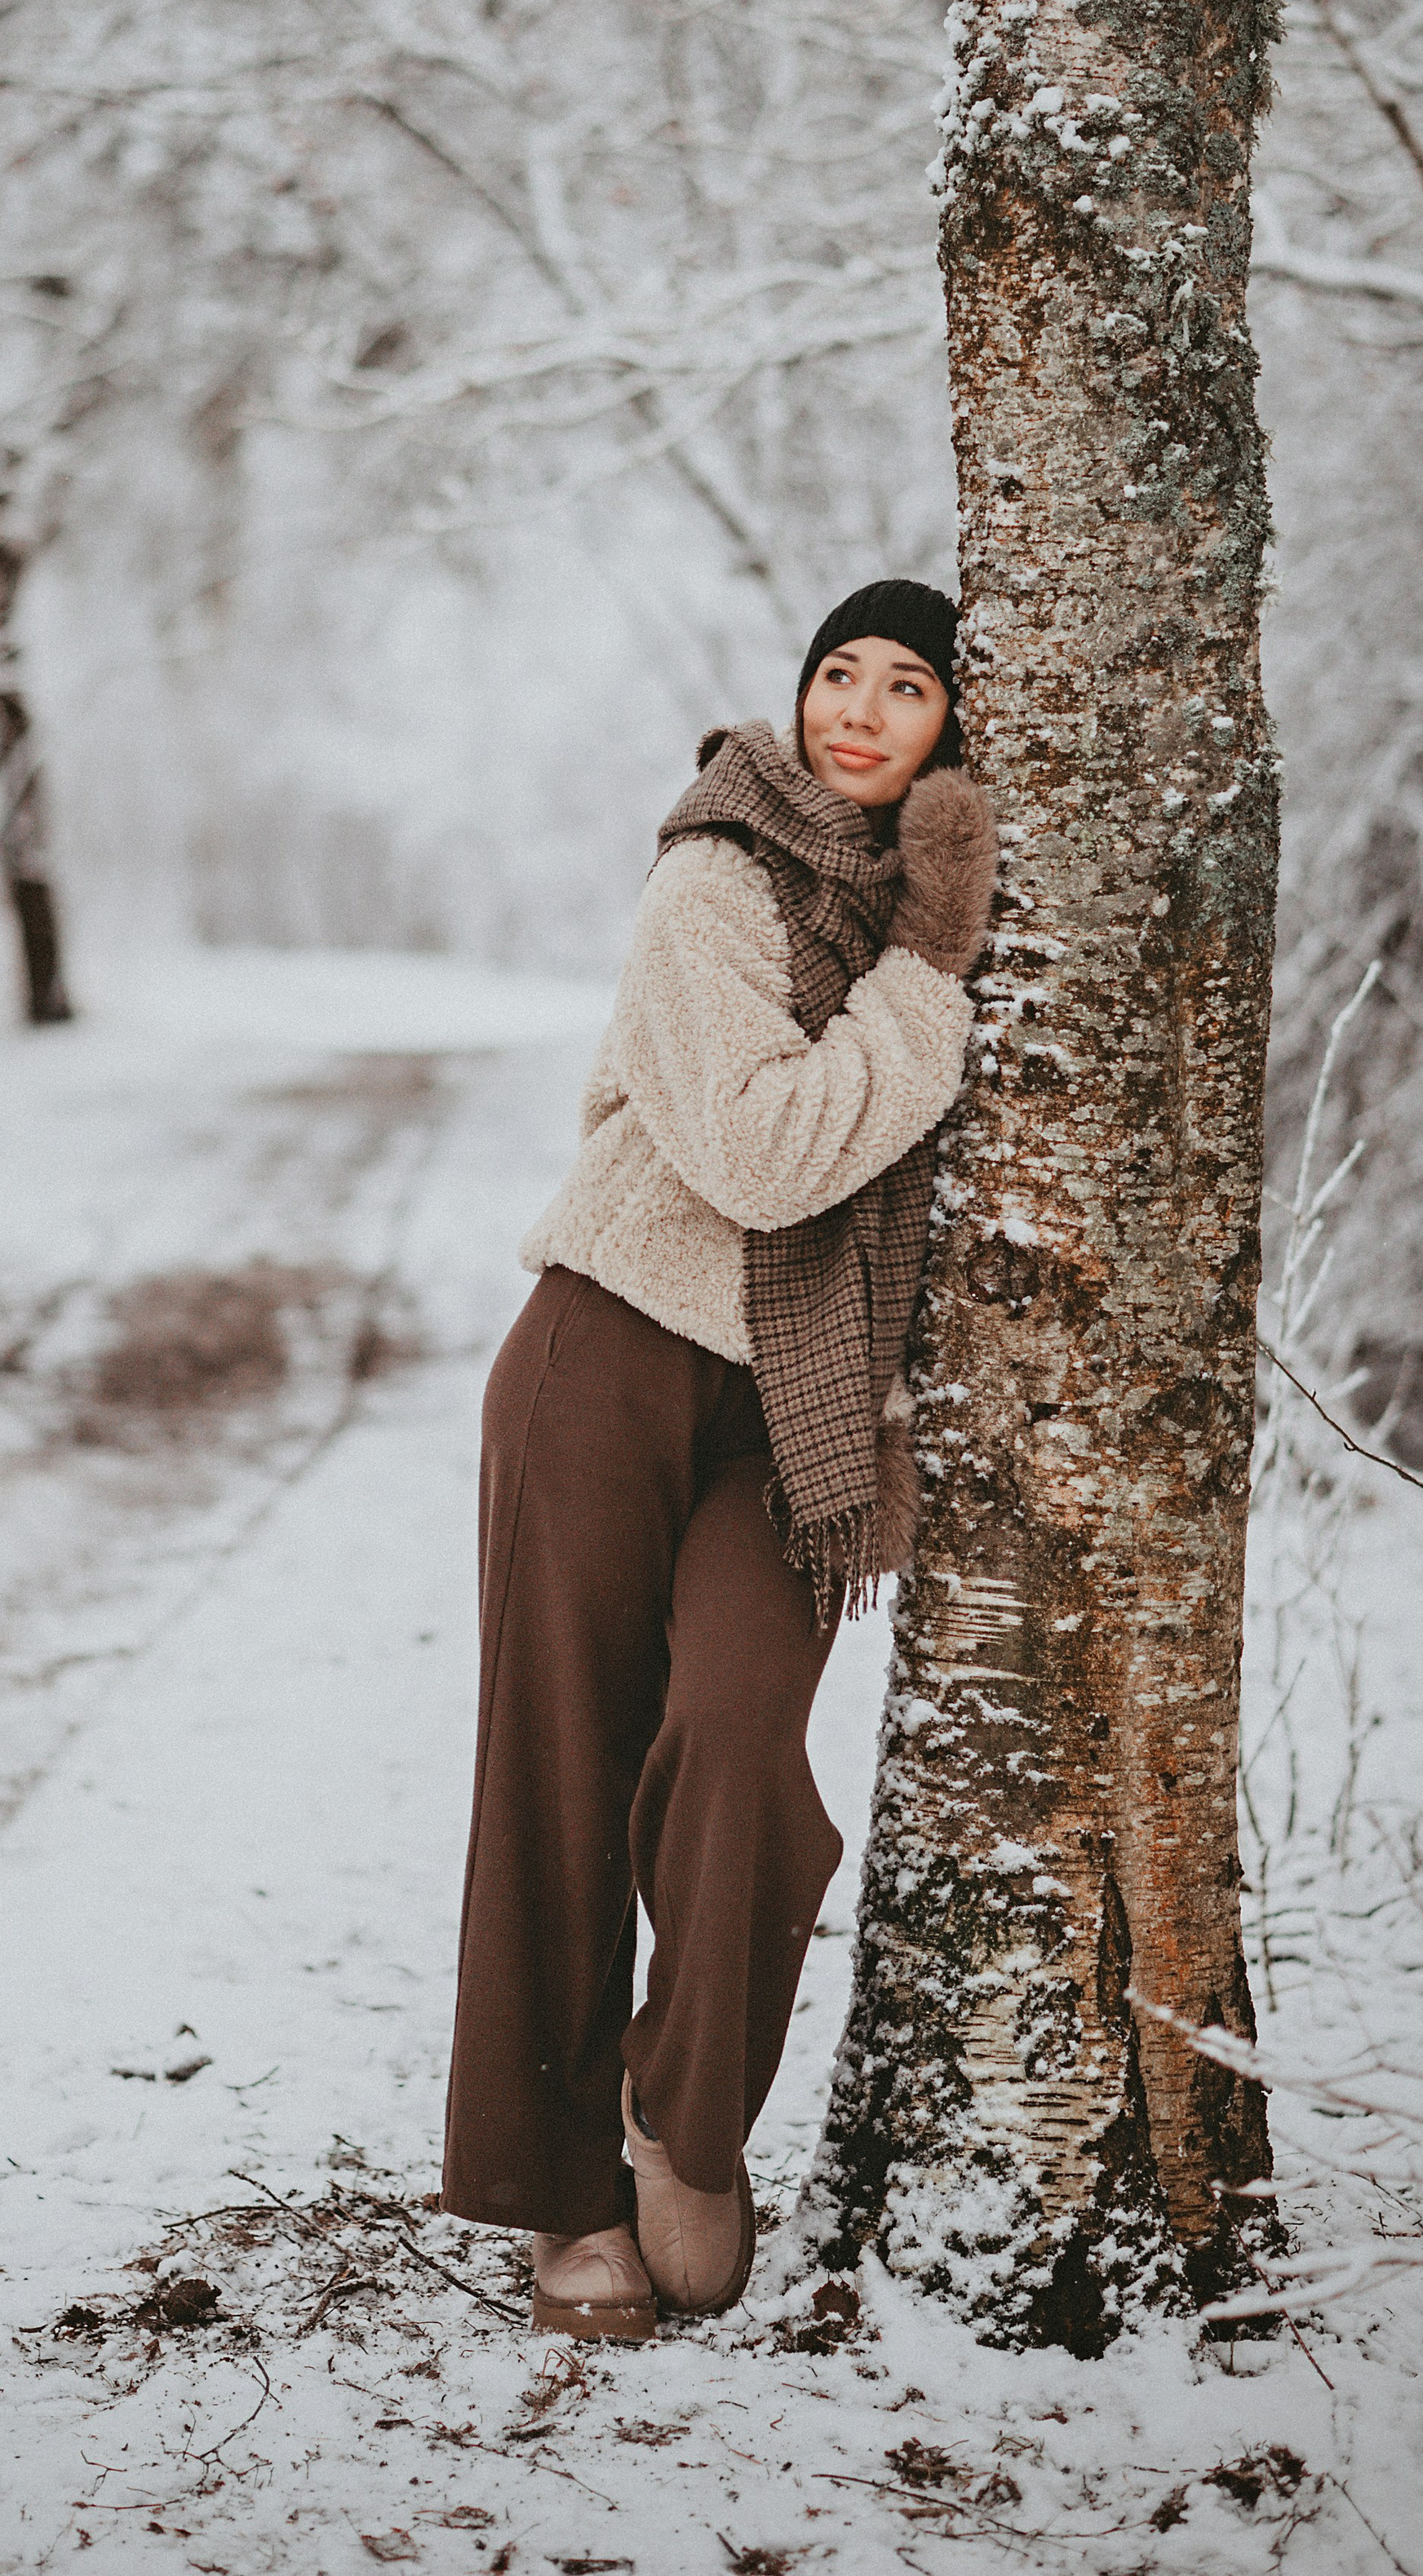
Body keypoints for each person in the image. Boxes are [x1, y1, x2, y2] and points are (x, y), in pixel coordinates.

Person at [440, 579, 997, 2341]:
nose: (855, 708)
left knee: (743, 1740)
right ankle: (549, 2192)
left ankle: (680, 2119)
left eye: (904, 687)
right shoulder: (717, 874)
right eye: (839, 670)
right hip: (606, 1351)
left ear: (947, 737)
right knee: (559, 1763)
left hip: (798, 1413)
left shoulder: (936, 900)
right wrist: (921, 979)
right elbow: (763, 1154)